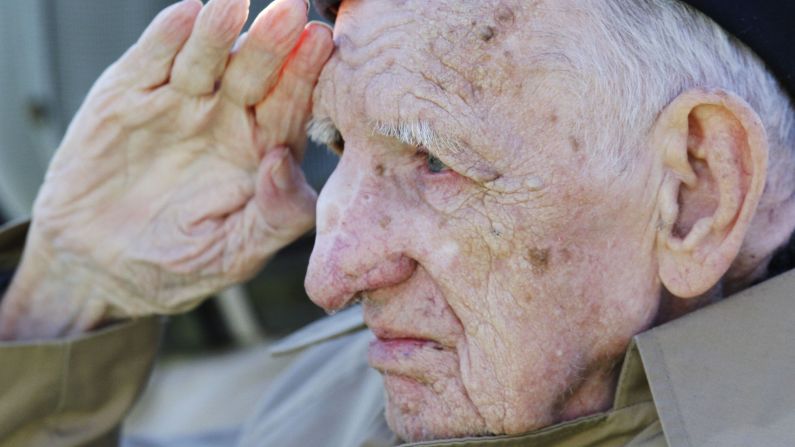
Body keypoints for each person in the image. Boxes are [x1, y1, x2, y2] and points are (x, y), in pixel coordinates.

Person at [0, 0, 793, 445]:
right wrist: (68, 288)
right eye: (336, 143)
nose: (328, 277)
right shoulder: (347, 387)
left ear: (695, 190)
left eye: (433, 160)